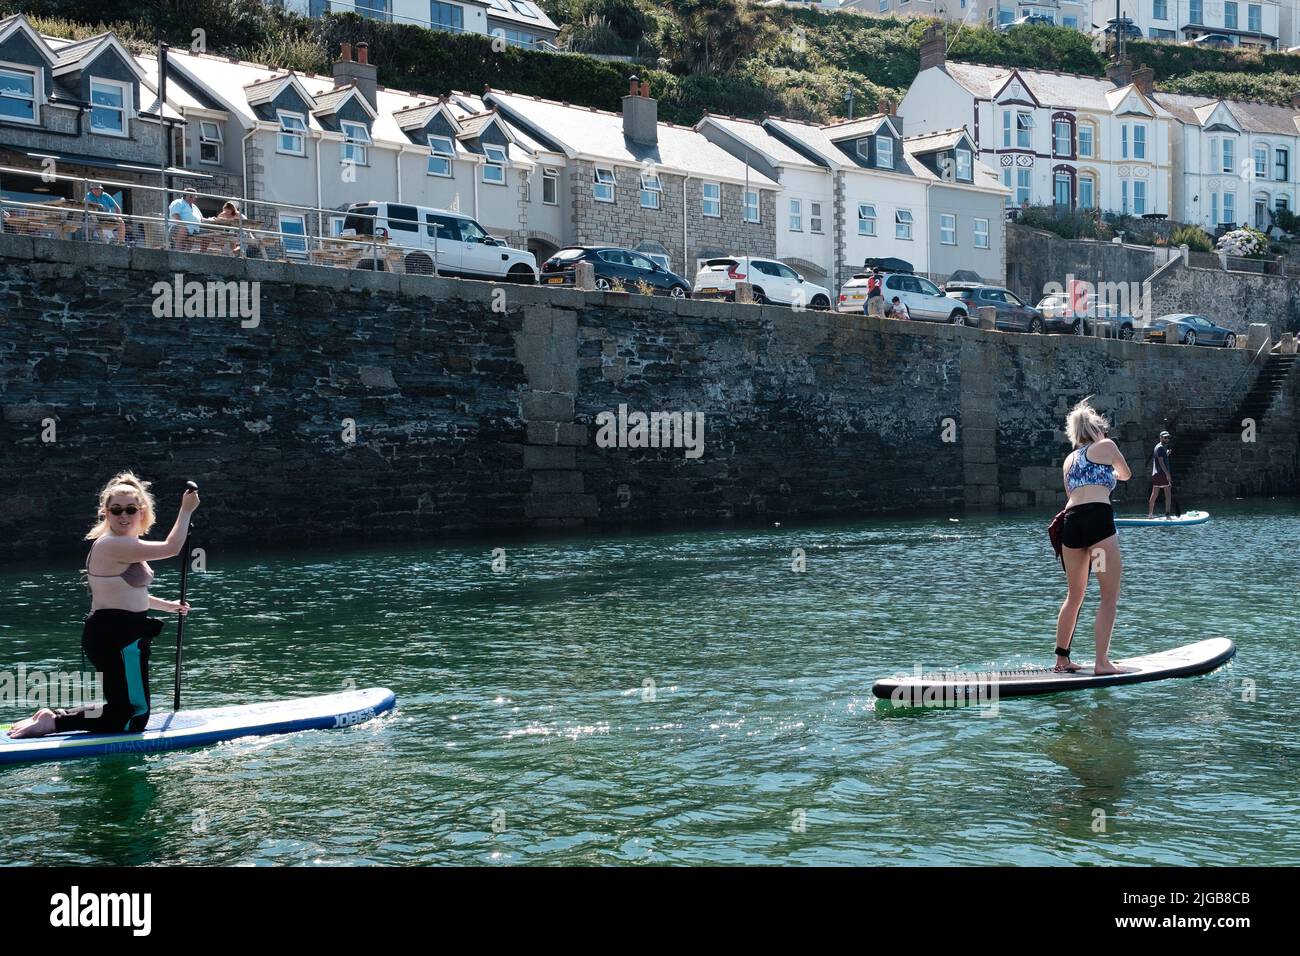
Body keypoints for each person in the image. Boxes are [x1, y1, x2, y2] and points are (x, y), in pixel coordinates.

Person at [5, 473, 199, 739]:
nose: (123, 516)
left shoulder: (127, 546)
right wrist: (186, 510)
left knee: (124, 705)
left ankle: (55, 716)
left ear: (141, 512)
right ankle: (54, 724)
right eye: (116, 510)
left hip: (117, 633)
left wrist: (166, 606)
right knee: (134, 715)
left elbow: (126, 593)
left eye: (130, 509)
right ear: (105, 513)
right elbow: (172, 547)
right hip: (117, 636)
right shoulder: (111, 545)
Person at [1054, 399, 1132, 676]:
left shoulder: (1068, 460)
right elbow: (1126, 474)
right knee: (1108, 595)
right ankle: (1102, 662)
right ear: (1099, 430)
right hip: (1097, 524)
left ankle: (1062, 659)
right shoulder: (1107, 447)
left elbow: (1070, 495)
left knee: (1074, 595)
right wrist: (1108, 463)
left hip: (1072, 525)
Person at [167, 187, 207, 252]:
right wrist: (183, 225)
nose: (196, 197)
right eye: (195, 195)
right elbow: (175, 215)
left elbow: (202, 219)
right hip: (177, 227)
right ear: (189, 196)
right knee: (183, 228)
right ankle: (178, 251)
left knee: (209, 232)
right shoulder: (178, 202)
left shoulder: (194, 206)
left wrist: (212, 220)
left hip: (194, 229)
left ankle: (202, 253)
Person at [1148, 430, 1173, 518]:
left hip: (1156, 474)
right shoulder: (1160, 448)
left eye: (1168, 438)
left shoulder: (1158, 447)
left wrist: (1167, 454)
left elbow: (1160, 459)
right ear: (1161, 437)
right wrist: (1167, 474)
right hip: (1162, 474)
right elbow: (1161, 462)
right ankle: (1167, 514)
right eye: (1165, 437)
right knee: (1168, 494)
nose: (1167, 439)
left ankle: (1150, 514)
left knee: (1154, 494)